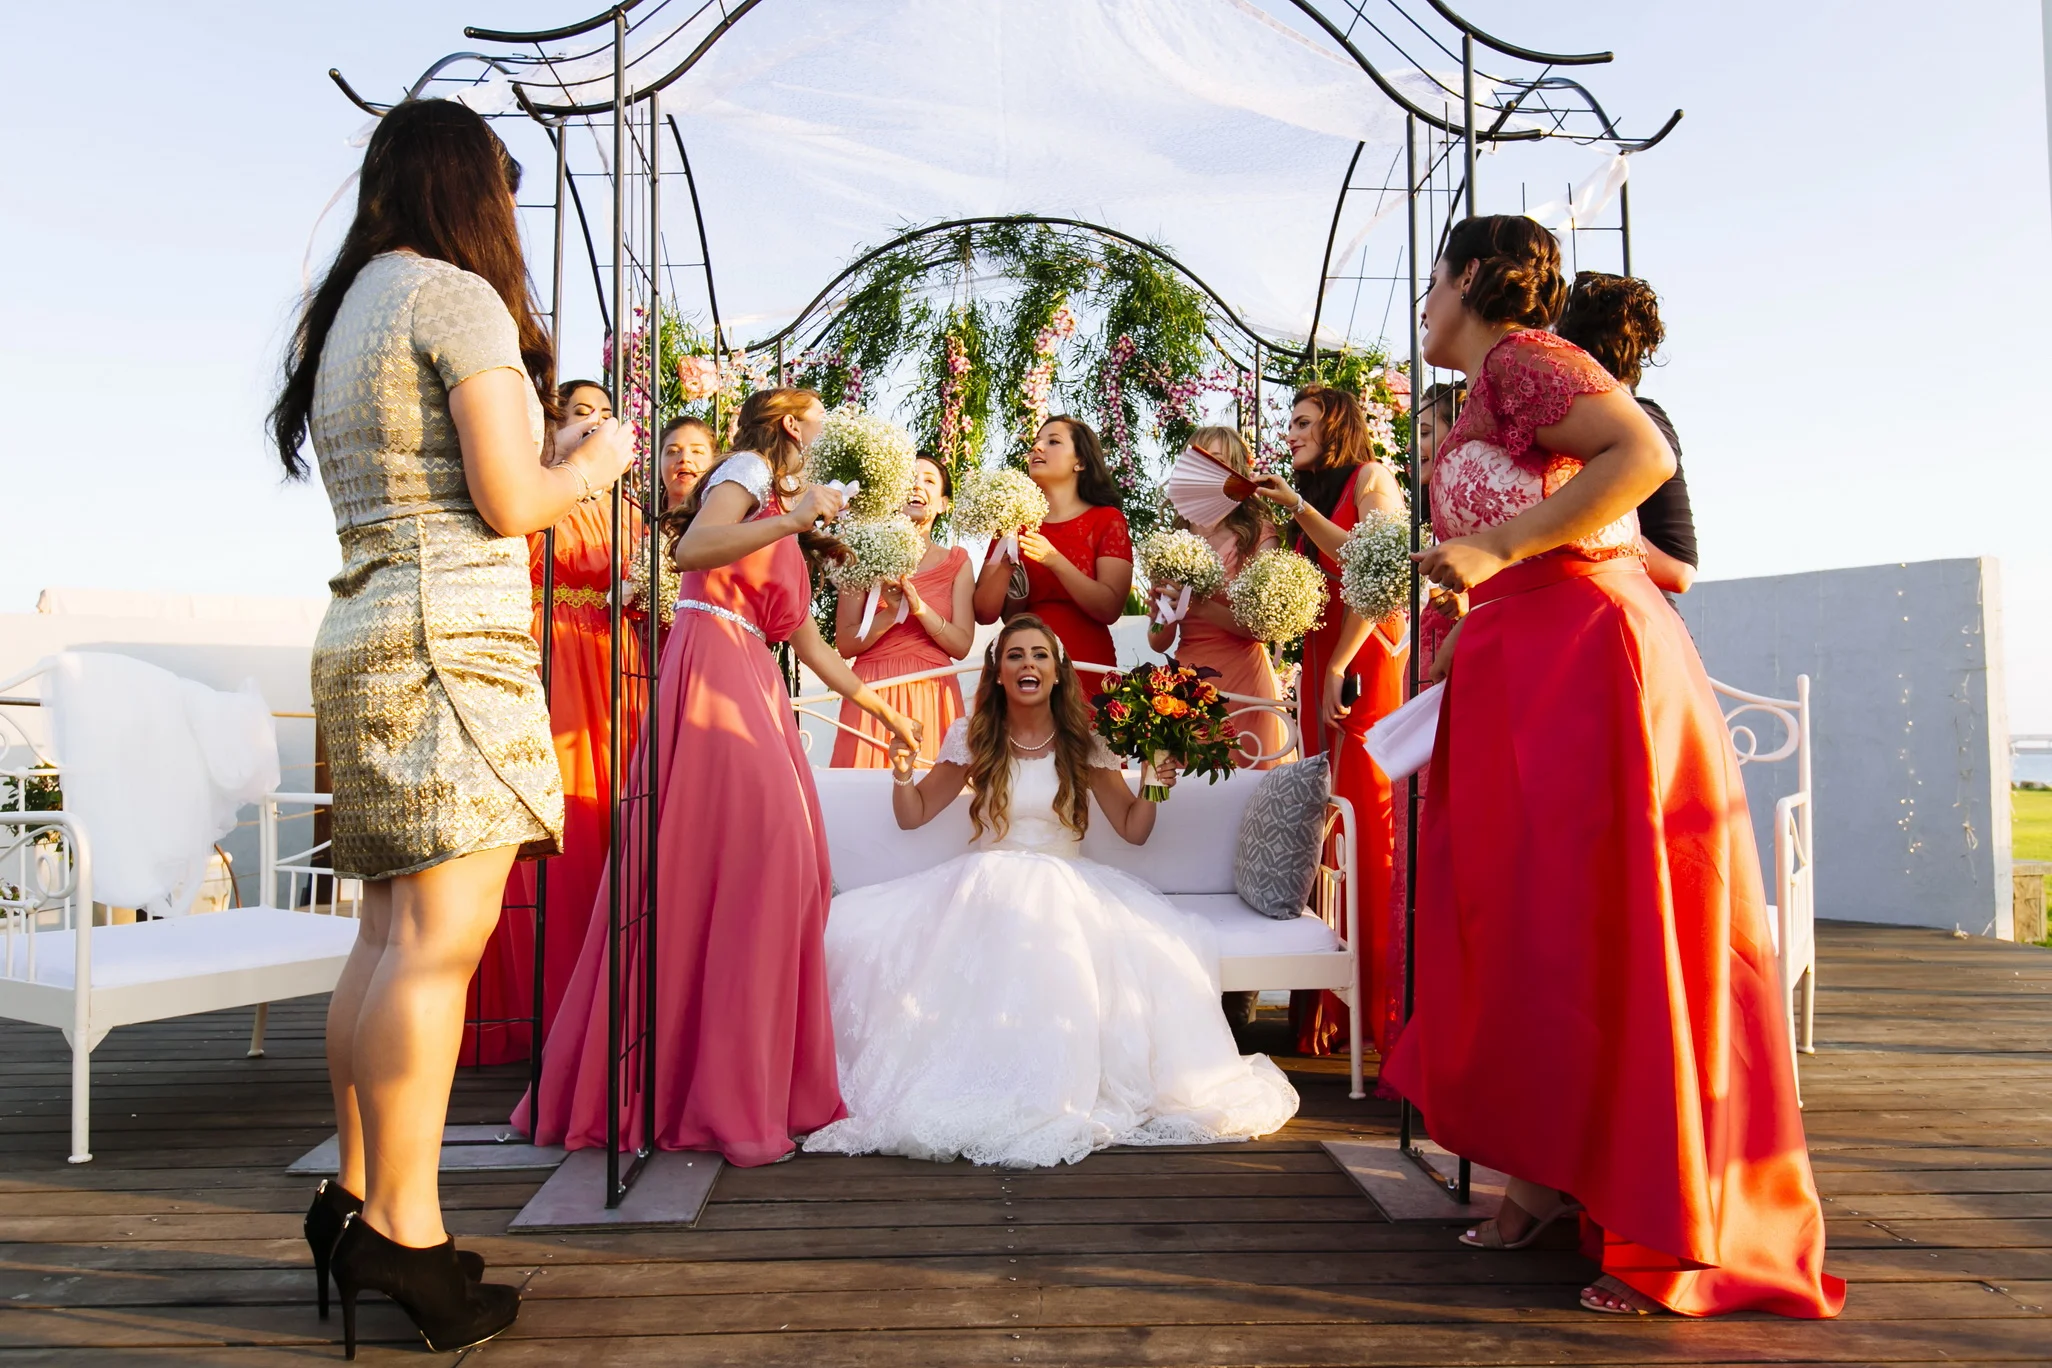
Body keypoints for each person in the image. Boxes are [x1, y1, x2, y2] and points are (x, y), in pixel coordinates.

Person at [1383, 214, 1842, 1319]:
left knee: (1615, 923)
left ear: (1478, 279)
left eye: (1433, 280)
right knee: (1536, 929)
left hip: (1587, 663)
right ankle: (1543, 1179)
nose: (1423, 302)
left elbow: (1644, 456)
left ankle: (1665, 1219)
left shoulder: (1534, 359)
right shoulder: (1482, 393)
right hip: (1516, 669)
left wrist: (1494, 547)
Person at [271, 99, 635, 1354]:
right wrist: (597, 453)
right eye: (508, 193)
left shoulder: (349, 307)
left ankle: (358, 1198)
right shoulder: (456, 298)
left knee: (382, 936)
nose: (515, 220)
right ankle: (409, 1240)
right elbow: (511, 497)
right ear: (470, 188)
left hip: (362, 631)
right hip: (450, 645)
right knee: (435, 946)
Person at [515, 387, 921, 1168]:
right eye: (821, 418)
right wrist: (792, 519)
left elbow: (811, 645)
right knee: (758, 861)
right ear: (795, 426)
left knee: (792, 871)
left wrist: (885, 712)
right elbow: (691, 550)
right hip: (709, 670)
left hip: (755, 681)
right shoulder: (745, 473)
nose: (828, 430)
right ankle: (699, 1089)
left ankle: (747, 1081)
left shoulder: (785, 514)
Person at [803, 615, 1300, 1167]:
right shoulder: (974, 738)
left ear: (1058, 672)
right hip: (985, 883)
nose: (1028, 665)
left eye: (1040, 655)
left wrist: (1157, 777)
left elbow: (1134, 828)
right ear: (997, 674)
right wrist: (900, 773)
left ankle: (1057, 1088)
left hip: (1067, 885)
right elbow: (913, 815)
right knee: (852, 932)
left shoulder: (1085, 744)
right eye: (1015, 656)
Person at [464, 380, 647, 1068]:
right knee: (552, 814)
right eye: (580, 415)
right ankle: (534, 1001)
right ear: (556, 426)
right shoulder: (539, 488)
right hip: (552, 656)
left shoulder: (628, 510)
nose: (595, 425)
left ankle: (607, 1001)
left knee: (610, 813)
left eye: (604, 416)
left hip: (612, 664)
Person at [1248, 385, 1407, 1058]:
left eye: (1305, 422)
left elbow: (1377, 572)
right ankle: (1327, 1008)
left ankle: (1378, 1007)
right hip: (1321, 657)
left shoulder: (1372, 479)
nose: (1292, 432)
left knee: (1363, 809)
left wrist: (1340, 663)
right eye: (1290, 422)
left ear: (1337, 424)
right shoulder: (1308, 496)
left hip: (1363, 653)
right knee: (1325, 812)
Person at [1145, 426, 1289, 770]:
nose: (1207, 465)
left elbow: (1260, 628)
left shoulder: (1259, 535)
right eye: (1199, 457)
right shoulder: (1173, 539)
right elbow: (1157, 639)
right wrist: (1162, 612)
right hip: (1186, 678)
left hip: (1244, 680)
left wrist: (1196, 603)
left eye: (1218, 459)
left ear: (1236, 470)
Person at [1556, 271, 1697, 596]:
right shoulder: (1566, 426)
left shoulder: (1644, 422)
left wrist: (1564, 525)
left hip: (1622, 617)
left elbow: (1679, 570)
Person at [831, 453, 974, 767]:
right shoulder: (860, 550)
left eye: (929, 480)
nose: (917, 485)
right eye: (910, 478)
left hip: (934, 689)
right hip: (872, 691)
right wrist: (889, 614)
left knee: (930, 798)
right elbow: (845, 642)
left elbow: (962, 645)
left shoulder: (958, 561)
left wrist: (920, 610)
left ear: (942, 504)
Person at [972, 416, 1133, 694]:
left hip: (1086, 663)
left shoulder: (1107, 519)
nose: (1037, 448)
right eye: (1035, 443)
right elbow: (985, 613)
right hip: (1024, 667)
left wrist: (1054, 560)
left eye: (1053, 442)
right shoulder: (1012, 521)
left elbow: (1110, 607)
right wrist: (1007, 564)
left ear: (1080, 461)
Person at [659, 413, 719, 507]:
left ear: (714, 463)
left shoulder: (733, 520)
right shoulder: (635, 518)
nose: (684, 458)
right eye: (673, 451)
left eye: (697, 451)